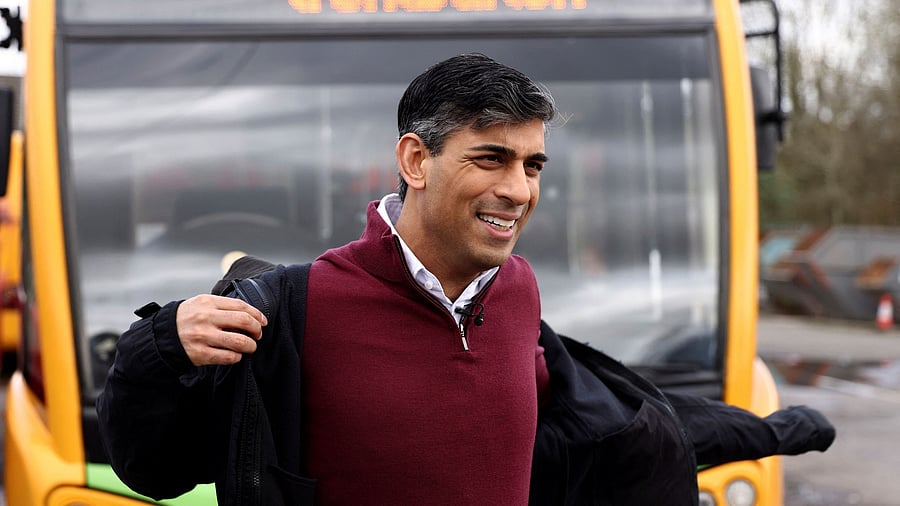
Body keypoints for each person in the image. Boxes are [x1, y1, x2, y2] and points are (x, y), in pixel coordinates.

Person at [97, 53, 834, 506]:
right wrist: (159, 347)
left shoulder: (519, 294)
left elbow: (612, 419)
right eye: (491, 159)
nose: (519, 189)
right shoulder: (295, 309)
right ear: (416, 162)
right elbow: (154, 470)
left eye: (533, 164)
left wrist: (760, 432)